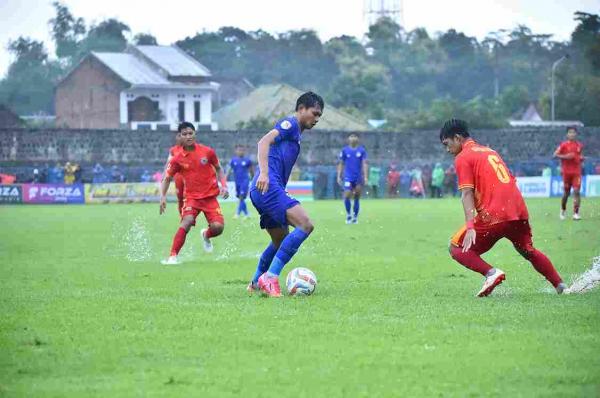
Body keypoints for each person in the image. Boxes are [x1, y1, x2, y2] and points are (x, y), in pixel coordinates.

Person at [440, 119, 565, 297]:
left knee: (455, 248)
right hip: (518, 211)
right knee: (527, 250)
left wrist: (470, 227)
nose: (447, 150)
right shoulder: (490, 151)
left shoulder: (463, 157)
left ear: (458, 138)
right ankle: (561, 286)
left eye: (447, 144)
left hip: (494, 215)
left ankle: (491, 273)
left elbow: (466, 194)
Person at [247, 92, 324, 297]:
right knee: (305, 225)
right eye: (314, 113)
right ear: (301, 109)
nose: (316, 119)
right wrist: (264, 173)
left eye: (319, 116)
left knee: (280, 240)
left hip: (263, 190)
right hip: (268, 187)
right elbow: (263, 142)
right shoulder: (289, 124)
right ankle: (270, 277)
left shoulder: (296, 134)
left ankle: (255, 281)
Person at [160, 122, 229, 265]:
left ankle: (206, 234)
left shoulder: (207, 152)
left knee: (218, 228)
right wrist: (163, 197)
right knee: (187, 222)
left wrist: (224, 186)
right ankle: (172, 256)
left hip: (210, 198)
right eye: (184, 134)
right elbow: (167, 178)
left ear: (195, 134)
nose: (188, 136)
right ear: (180, 136)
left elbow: (219, 168)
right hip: (192, 199)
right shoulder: (177, 158)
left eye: (190, 133)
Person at [554, 126, 584, 220]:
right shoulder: (563, 145)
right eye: (570, 132)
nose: (572, 134)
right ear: (567, 134)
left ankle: (576, 213)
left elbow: (579, 156)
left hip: (576, 172)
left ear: (576, 134)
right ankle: (563, 210)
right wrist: (566, 156)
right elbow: (555, 155)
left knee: (576, 192)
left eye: (573, 132)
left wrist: (581, 158)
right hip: (566, 173)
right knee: (566, 193)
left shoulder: (579, 145)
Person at [337, 133, 368, 224]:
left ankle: (355, 216)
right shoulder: (345, 150)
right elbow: (341, 163)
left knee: (357, 197)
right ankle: (348, 214)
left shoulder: (361, 150)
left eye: (355, 136)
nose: (353, 138)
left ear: (358, 139)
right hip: (348, 177)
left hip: (358, 177)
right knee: (346, 195)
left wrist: (365, 177)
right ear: (348, 139)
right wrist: (339, 176)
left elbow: (364, 163)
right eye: (351, 136)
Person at [228, 145, 254, 218]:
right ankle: (247, 214)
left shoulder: (247, 160)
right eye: (239, 150)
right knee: (240, 197)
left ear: (244, 151)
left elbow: (252, 171)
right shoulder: (233, 160)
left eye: (242, 150)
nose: (241, 152)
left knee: (241, 197)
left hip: (245, 181)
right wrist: (225, 178)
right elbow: (229, 170)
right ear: (236, 151)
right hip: (237, 181)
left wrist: (254, 180)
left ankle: (238, 213)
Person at [164, 132, 185, 215]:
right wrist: (165, 174)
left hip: (188, 175)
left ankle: (190, 215)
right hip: (178, 176)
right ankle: (182, 217)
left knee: (188, 196)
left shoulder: (189, 148)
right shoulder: (173, 150)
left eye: (181, 135)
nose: (180, 137)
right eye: (178, 136)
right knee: (180, 198)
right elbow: (169, 163)